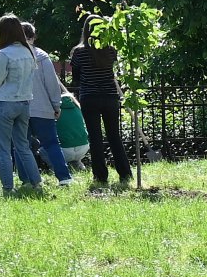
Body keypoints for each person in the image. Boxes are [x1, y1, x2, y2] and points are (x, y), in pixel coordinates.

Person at [69, 16, 134, 187]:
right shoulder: (110, 50)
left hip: (89, 97)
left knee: (95, 137)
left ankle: (100, 175)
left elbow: (75, 77)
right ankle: (125, 172)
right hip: (110, 96)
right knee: (114, 136)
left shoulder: (79, 51)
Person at [0, 15, 44, 194]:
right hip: (24, 103)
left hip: (4, 103)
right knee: (23, 146)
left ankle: (8, 188)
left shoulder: (3, 54)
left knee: (2, 149)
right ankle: (36, 183)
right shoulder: (29, 52)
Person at [21, 22, 73, 186]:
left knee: (22, 146)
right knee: (51, 143)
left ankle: (27, 180)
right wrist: (56, 105)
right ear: (33, 36)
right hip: (42, 108)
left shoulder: (10, 55)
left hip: (20, 108)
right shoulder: (42, 56)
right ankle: (64, 178)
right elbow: (51, 83)